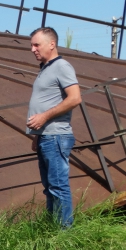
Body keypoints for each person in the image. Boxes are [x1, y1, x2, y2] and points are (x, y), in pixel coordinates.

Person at [26, 27, 82, 228]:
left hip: (56, 136)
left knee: (58, 186)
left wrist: (43, 117)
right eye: (31, 45)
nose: (33, 49)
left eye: (36, 45)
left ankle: (64, 233)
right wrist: (37, 135)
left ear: (52, 44)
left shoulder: (62, 66)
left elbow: (75, 98)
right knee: (49, 187)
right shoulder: (46, 68)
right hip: (46, 136)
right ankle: (52, 228)